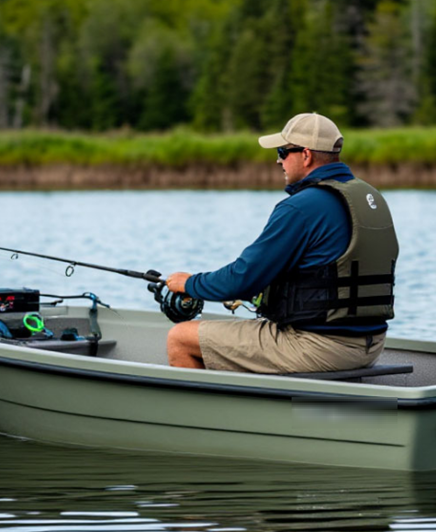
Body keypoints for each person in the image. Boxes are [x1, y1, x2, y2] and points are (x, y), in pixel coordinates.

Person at [164, 112, 399, 373]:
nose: (278, 161)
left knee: (180, 338)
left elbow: (242, 279)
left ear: (306, 155)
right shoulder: (370, 197)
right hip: (371, 344)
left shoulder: (302, 207)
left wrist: (188, 283)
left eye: (283, 151)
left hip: (322, 347)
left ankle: (206, 414)